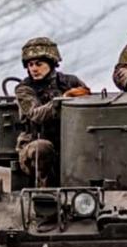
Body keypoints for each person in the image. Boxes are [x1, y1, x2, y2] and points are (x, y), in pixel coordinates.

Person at [14, 36, 89, 186]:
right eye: (30, 64)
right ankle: (45, 194)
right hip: (33, 149)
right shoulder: (24, 89)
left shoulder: (70, 82)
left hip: (70, 144)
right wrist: (63, 99)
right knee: (42, 148)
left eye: (39, 64)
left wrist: (83, 95)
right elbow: (35, 115)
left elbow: (87, 108)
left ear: (51, 63)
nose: (34, 68)